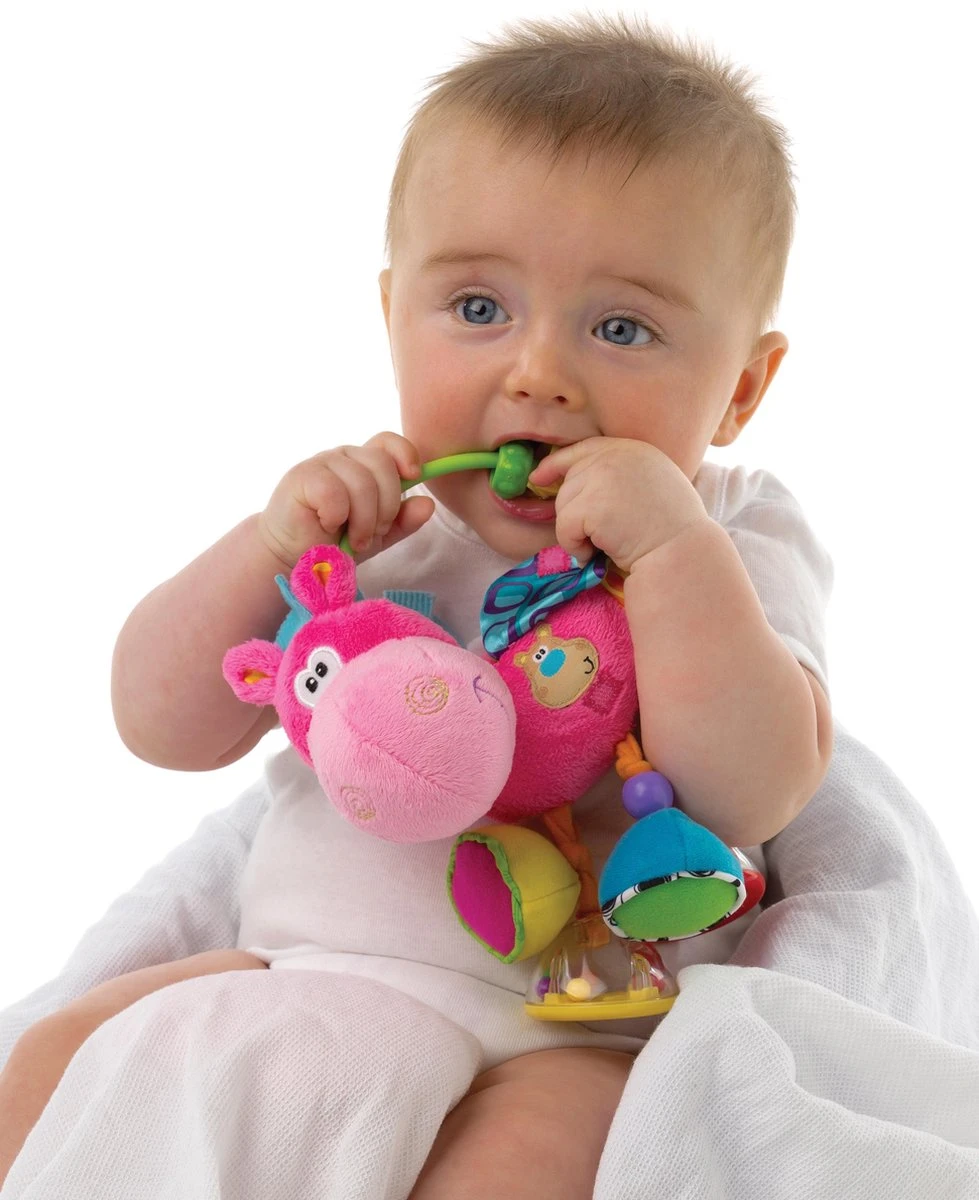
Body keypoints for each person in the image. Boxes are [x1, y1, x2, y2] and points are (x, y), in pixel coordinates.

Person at [0, 13, 835, 1199]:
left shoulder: (729, 535)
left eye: (622, 328)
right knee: (62, 1061)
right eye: (479, 309)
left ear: (741, 386)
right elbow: (158, 723)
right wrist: (268, 547)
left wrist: (669, 552)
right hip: (295, 968)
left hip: (571, 1024)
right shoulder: (372, 532)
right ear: (393, 312)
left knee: (547, 1154)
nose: (538, 374)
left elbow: (757, 789)